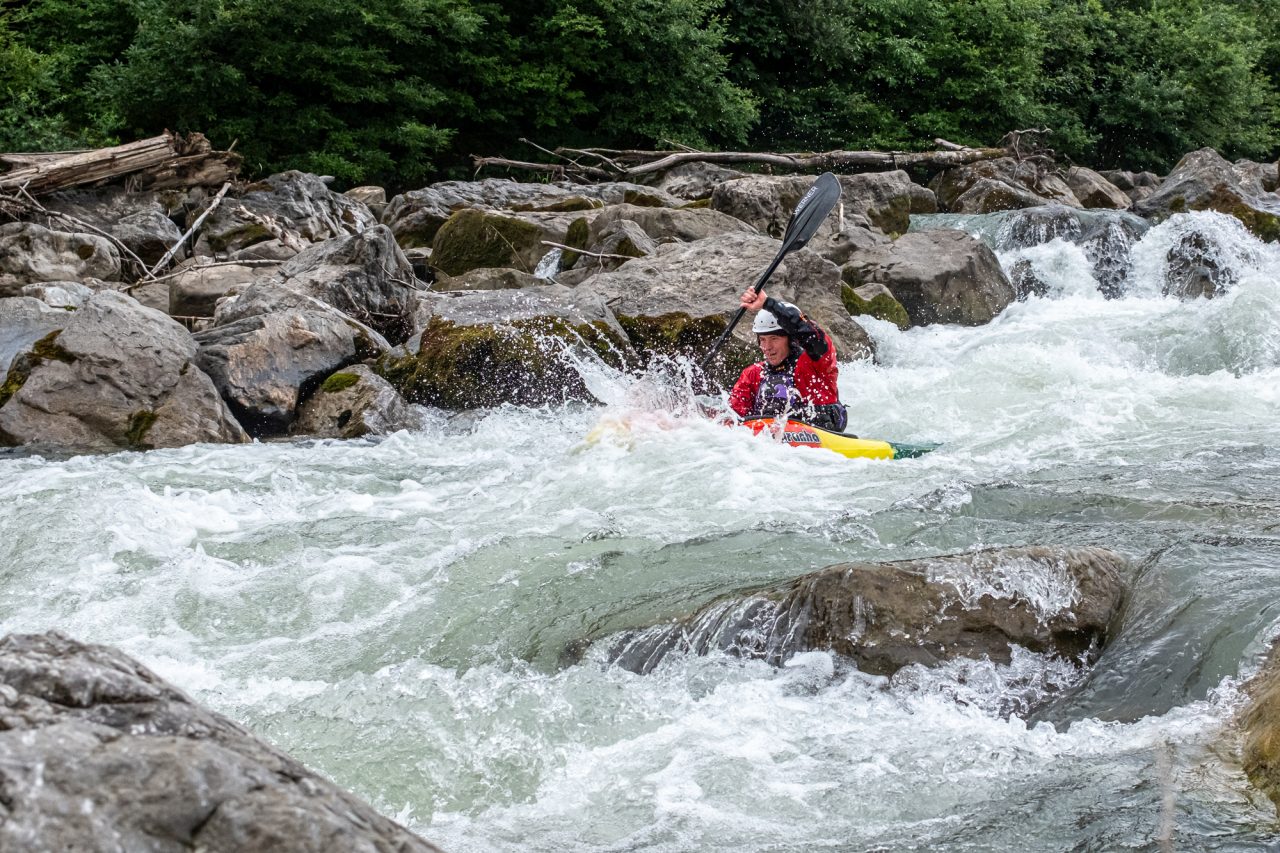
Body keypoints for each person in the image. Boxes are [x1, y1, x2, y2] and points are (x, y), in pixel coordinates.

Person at [728, 287, 848, 432]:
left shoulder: (817, 362)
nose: (767, 347)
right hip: (770, 442)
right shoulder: (753, 374)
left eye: (774, 338)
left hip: (820, 438)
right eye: (763, 339)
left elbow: (807, 331)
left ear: (792, 340)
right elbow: (734, 417)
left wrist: (768, 304)